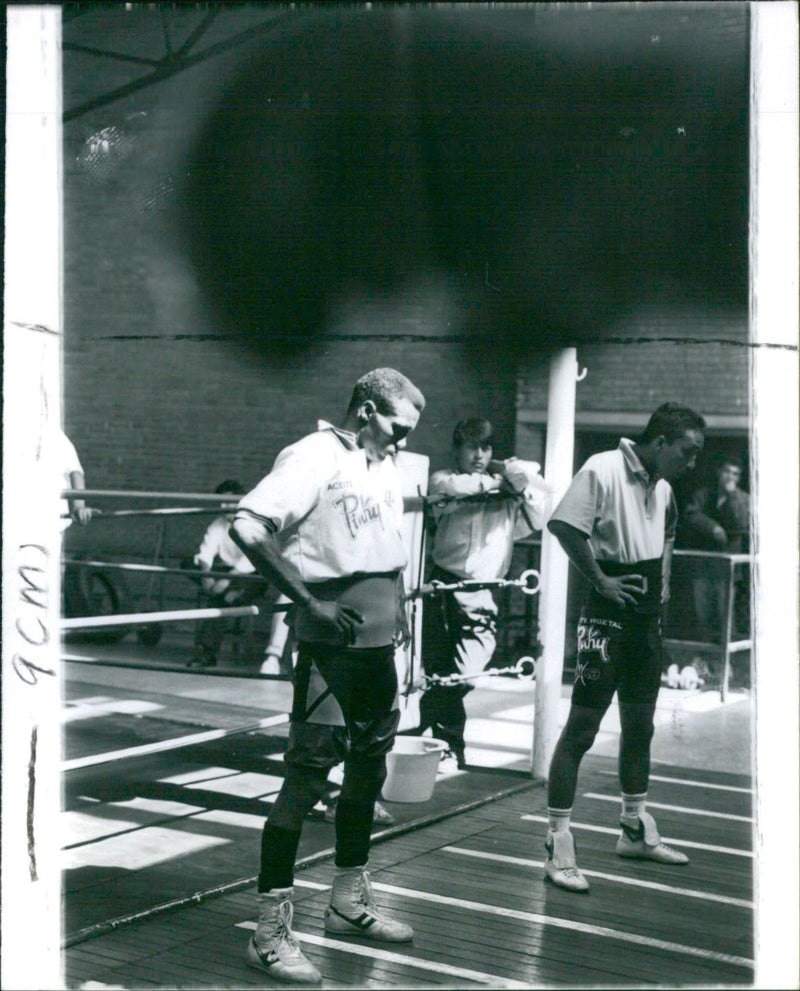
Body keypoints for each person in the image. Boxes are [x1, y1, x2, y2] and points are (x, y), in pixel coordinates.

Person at [230, 368, 425, 984]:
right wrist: (308, 603)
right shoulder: (313, 455)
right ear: (366, 410)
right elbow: (248, 526)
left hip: (377, 649)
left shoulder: (385, 466)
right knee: (304, 782)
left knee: (368, 773)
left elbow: (384, 548)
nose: (401, 440)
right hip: (330, 651)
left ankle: (347, 901)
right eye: (396, 426)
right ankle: (269, 933)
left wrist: (400, 610)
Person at [543, 403, 705, 893]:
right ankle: (558, 843)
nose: (692, 463)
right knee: (582, 730)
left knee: (640, 727)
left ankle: (634, 828)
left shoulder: (665, 487)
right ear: (660, 442)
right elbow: (564, 526)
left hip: (644, 620)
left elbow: (671, 529)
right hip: (605, 615)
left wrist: (667, 575)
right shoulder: (602, 467)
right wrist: (601, 581)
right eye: (688, 452)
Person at [418, 418, 548, 769]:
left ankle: (420, 727)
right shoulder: (443, 481)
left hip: (484, 590)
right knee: (441, 668)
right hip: (443, 586)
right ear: (456, 449)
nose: (479, 454)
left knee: (465, 672)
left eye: (486, 447)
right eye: (471, 446)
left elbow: (539, 514)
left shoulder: (509, 493)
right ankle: (447, 747)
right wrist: (499, 481)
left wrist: (520, 480)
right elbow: (454, 488)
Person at [187, 480, 264, 669]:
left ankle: (206, 653)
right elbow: (206, 552)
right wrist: (207, 576)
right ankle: (227, 595)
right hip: (226, 574)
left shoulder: (252, 523)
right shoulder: (218, 524)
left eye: (228, 502)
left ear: (240, 501)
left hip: (251, 577)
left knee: (221, 598)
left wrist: (225, 580)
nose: (224, 507)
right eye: (220, 503)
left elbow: (251, 558)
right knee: (188, 563)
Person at [682, 458, 750, 642]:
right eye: (727, 471)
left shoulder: (744, 499)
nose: (730, 477)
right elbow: (690, 514)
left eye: (735, 474)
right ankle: (705, 661)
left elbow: (742, 523)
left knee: (727, 617)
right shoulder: (704, 495)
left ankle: (729, 666)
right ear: (719, 472)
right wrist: (712, 527)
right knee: (703, 616)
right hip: (704, 566)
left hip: (728, 569)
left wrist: (732, 495)